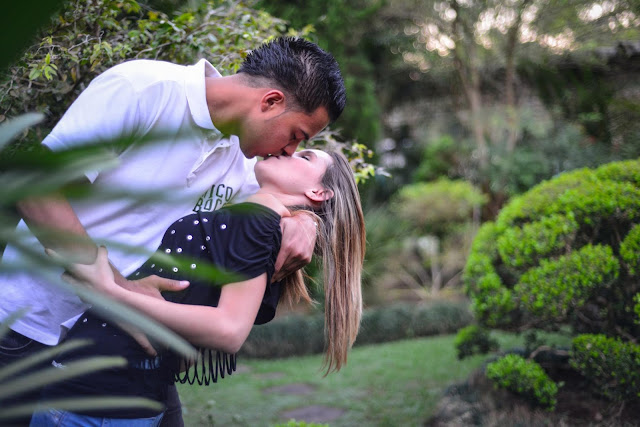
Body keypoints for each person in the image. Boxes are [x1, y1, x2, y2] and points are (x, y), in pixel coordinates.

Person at [0, 36, 346, 426]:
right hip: (30, 329)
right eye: (296, 136)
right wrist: (115, 288)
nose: (289, 151)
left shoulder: (247, 159)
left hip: (126, 354)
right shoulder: (143, 90)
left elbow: (292, 198)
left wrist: (306, 222)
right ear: (270, 102)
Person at [30, 148, 366, 426]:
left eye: (305, 157)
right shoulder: (263, 226)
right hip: (113, 389)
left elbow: (228, 330)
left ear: (318, 193)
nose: (288, 150)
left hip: (97, 394)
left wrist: (108, 290)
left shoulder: (258, 223)